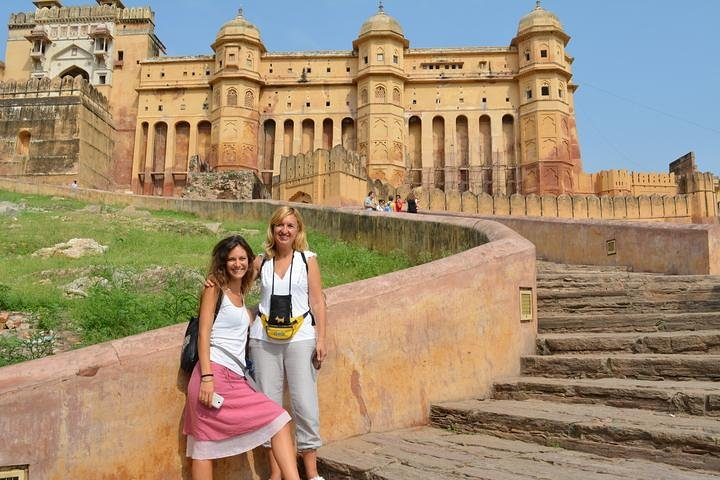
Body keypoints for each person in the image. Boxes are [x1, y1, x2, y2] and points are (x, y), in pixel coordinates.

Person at [184, 235, 301, 480]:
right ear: (223, 263)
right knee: (203, 449)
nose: (238, 264)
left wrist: (269, 249)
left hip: (235, 378)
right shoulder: (214, 288)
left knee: (278, 420)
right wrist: (207, 377)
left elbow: (258, 260)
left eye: (242, 259)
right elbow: (204, 333)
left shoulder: (240, 292)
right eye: (232, 259)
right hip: (213, 375)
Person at [251, 206, 327, 480]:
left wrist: (322, 338)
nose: (284, 230)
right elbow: (236, 280)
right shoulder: (261, 262)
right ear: (272, 229)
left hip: (301, 336)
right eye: (279, 225)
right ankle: (276, 473)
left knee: (305, 404)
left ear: (298, 231)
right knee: (269, 407)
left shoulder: (308, 259)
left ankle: (312, 473)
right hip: (263, 339)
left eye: (290, 226)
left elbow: (317, 300)